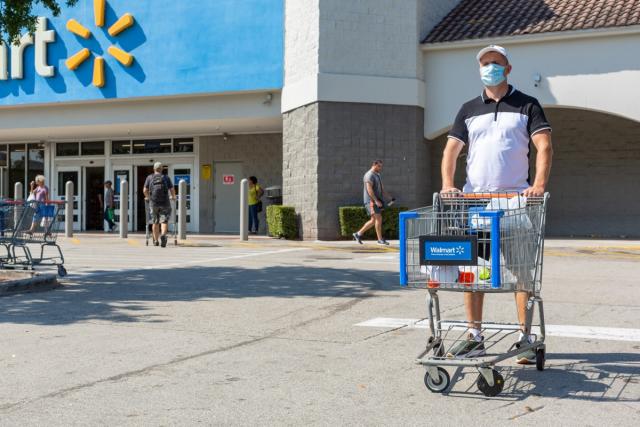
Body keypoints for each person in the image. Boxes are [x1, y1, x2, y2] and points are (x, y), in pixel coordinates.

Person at [440, 45, 553, 364]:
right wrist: (449, 185)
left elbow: (544, 146)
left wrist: (539, 185)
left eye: (496, 63)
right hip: (477, 204)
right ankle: (474, 337)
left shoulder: (527, 105)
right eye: (485, 63)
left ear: (508, 68)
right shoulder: (468, 109)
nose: (489, 67)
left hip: (516, 203)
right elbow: (450, 151)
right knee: (474, 273)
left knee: (522, 274)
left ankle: (524, 338)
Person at [352, 160, 393, 246]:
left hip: (375, 201)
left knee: (373, 220)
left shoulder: (377, 175)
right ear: (374, 165)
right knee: (379, 218)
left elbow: (381, 188)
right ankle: (380, 240)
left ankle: (358, 234)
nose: (380, 168)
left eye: (381, 166)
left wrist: (390, 197)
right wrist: (375, 200)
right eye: (379, 166)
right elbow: (369, 189)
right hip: (371, 201)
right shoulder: (369, 175)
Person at [143, 162, 175, 247]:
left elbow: (145, 190)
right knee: (164, 221)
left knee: (155, 222)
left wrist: (149, 198)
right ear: (161, 169)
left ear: (154, 169)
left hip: (154, 203)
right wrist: (173, 197)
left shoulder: (149, 177)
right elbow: (172, 189)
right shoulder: (166, 177)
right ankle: (163, 235)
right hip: (165, 203)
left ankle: (156, 241)